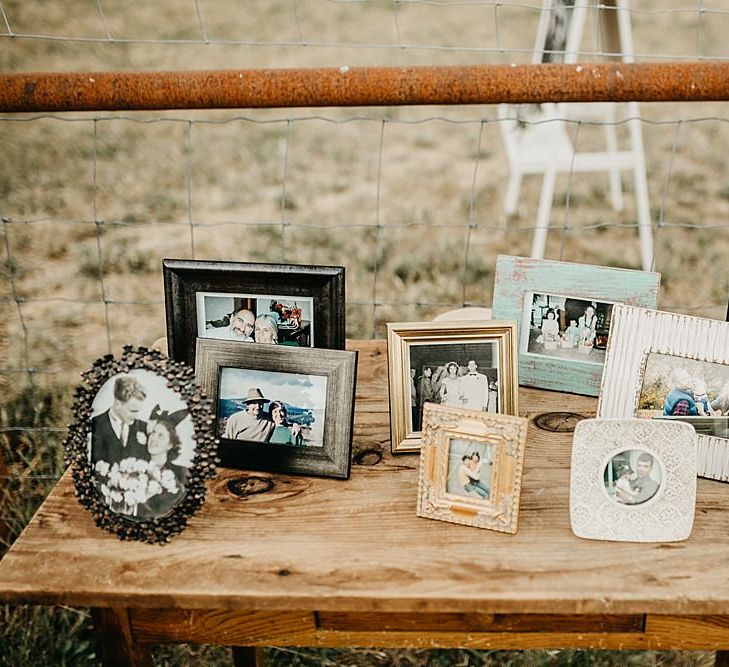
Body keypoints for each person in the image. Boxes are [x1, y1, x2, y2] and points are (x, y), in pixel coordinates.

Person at [138, 407, 190, 519]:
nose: (153, 439)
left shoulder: (181, 473)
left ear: (170, 444)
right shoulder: (135, 467)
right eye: (153, 433)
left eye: (160, 435)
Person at [91, 375, 149, 465]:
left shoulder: (143, 427)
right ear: (118, 404)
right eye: (132, 411)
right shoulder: (95, 425)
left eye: (138, 411)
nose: (136, 416)